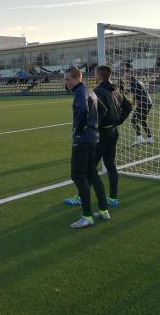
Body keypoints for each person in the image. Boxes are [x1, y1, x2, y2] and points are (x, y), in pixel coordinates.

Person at [62, 68, 109, 228]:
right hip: (93, 139)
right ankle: (103, 210)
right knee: (92, 174)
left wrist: (80, 128)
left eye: (67, 79)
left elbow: (83, 110)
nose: (65, 83)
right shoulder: (90, 91)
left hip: (82, 140)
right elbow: (103, 110)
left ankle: (87, 216)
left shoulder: (80, 92)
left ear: (76, 78)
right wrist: (93, 126)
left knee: (78, 175)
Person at [93, 65, 132, 206]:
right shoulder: (115, 90)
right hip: (114, 131)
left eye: (95, 74)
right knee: (110, 164)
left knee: (90, 167)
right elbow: (128, 106)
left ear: (99, 76)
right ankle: (113, 198)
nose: (94, 77)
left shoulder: (98, 91)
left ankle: (81, 196)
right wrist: (119, 121)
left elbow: (95, 114)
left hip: (103, 133)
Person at [123, 65, 153, 146]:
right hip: (149, 102)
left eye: (126, 74)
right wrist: (133, 101)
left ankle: (140, 139)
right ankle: (150, 138)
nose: (125, 76)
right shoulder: (138, 81)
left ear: (130, 74)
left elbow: (137, 94)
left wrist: (131, 102)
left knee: (133, 120)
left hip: (143, 102)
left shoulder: (133, 82)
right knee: (142, 120)